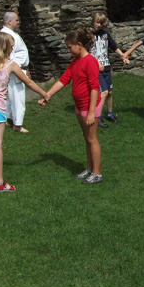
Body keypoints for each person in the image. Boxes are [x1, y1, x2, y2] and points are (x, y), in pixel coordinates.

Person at [0, 32, 48, 193]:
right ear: (4, 47)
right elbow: (28, 82)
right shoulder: (10, 65)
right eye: (11, 47)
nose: (12, 49)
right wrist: (44, 93)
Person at [39, 28, 103, 185]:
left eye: (70, 47)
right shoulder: (75, 62)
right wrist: (48, 94)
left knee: (92, 138)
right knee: (87, 138)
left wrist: (91, 113)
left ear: (79, 45)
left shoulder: (90, 62)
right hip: (80, 106)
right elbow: (64, 79)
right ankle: (89, 169)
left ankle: (97, 173)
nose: (68, 51)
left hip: (89, 106)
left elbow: (94, 87)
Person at [90, 12, 127, 128]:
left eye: (101, 23)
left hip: (106, 67)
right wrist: (96, 63)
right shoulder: (88, 36)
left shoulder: (105, 34)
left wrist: (123, 55)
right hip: (96, 69)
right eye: (97, 22)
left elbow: (114, 46)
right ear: (93, 22)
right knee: (104, 92)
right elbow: (86, 53)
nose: (99, 25)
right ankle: (98, 116)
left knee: (109, 92)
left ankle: (110, 114)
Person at [0, 11, 31, 133]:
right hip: (14, 70)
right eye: (17, 20)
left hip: (18, 68)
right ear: (10, 21)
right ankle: (18, 125)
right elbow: (8, 55)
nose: (18, 22)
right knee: (18, 97)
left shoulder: (9, 34)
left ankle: (6, 118)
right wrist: (16, 68)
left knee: (11, 96)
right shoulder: (7, 35)